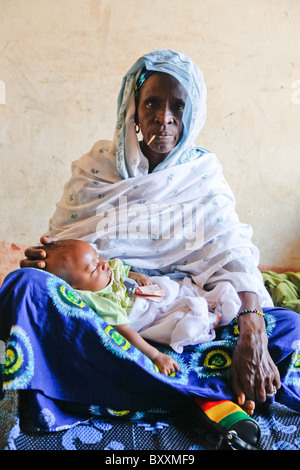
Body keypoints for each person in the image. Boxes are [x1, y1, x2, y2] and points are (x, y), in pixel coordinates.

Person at [2, 50, 300, 439]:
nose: (164, 118)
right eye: (152, 104)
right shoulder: (95, 170)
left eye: (178, 106)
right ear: (133, 108)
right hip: (113, 326)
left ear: (193, 114)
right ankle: (201, 396)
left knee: (286, 327)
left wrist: (252, 330)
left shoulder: (203, 175)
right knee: (24, 290)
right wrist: (47, 266)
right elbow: (66, 259)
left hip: (185, 317)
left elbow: (233, 256)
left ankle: (119, 392)